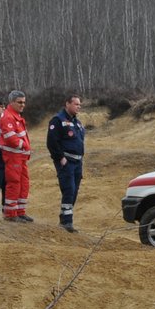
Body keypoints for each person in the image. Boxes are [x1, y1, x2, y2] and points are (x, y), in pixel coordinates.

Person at [46, 94, 86, 233]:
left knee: (74, 191)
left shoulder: (78, 123)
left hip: (77, 162)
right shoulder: (58, 120)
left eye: (79, 105)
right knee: (68, 189)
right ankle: (66, 222)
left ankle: (65, 217)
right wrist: (60, 158)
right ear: (67, 104)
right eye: (76, 104)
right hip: (66, 161)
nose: (78, 107)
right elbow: (52, 141)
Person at [0, 90, 33, 222]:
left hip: (21, 157)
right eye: (19, 102)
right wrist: (24, 146)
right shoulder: (8, 117)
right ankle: (11, 214)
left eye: (24, 102)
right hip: (13, 157)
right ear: (11, 102)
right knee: (14, 183)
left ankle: (20, 211)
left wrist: (25, 148)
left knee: (24, 184)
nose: (22, 105)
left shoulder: (17, 116)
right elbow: (9, 137)